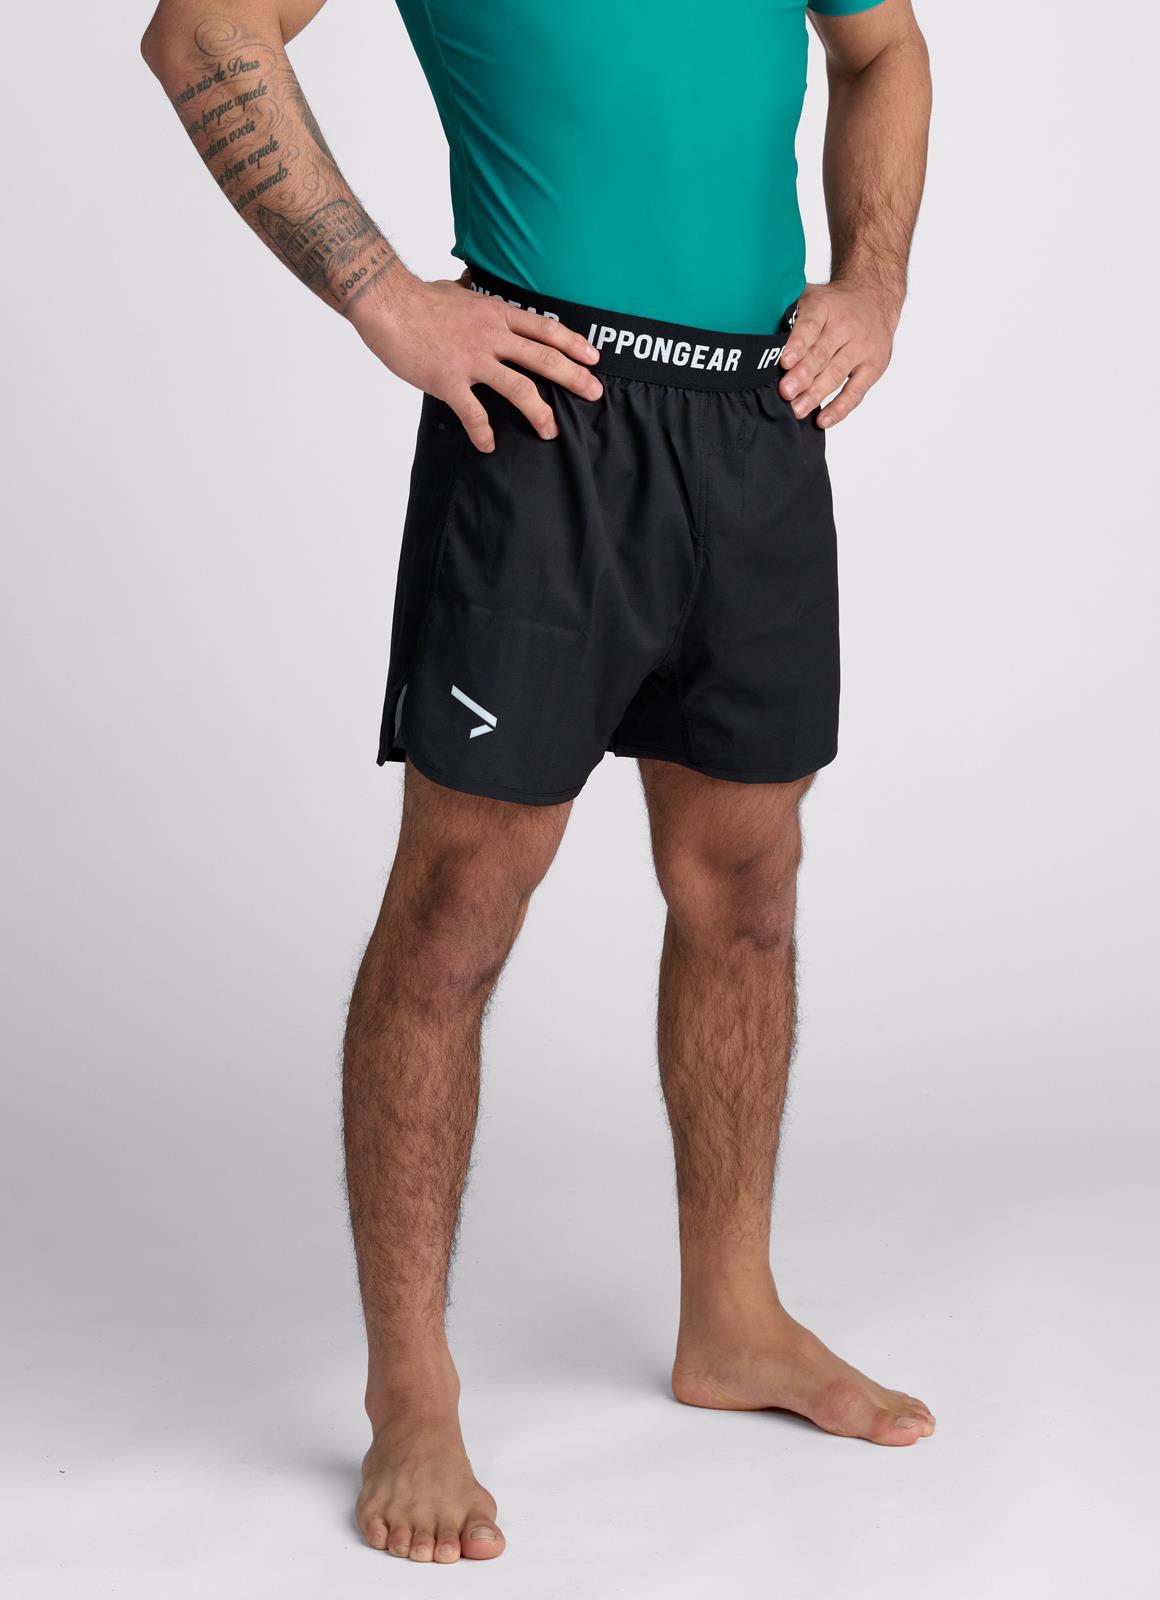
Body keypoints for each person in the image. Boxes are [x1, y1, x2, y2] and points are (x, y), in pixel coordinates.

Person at [142, 0, 934, 1565]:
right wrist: (383, 297)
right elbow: (203, 32)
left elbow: (884, 49)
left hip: (759, 420)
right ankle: (412, 1391)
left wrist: (876, 281)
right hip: (548, 415)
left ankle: (734, 1316)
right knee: (457, 913)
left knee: (748, 890)